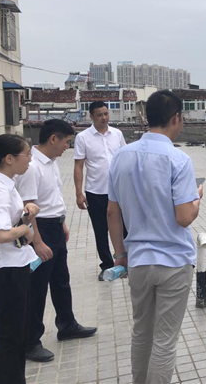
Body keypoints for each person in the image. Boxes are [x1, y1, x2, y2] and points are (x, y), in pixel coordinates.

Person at [107, 90, 202, 384]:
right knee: (164, 341)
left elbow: (112, 212)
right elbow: (184, 216)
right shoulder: (179, 159)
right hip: (173, 262)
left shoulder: (121, 156)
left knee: (141, 333)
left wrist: (120, 255)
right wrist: (197, 198)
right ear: (176, 118)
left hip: (138, 260)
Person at [15, 119, 97, 363]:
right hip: (40, 231)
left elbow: (51, 199)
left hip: (54, 227)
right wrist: (38, 242)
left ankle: (67, 325)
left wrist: (62, 224)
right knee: (37, 287)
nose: (66, 147)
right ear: (53, 138)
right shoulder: (32, 167)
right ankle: (30, 341)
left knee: (61, 280)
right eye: (66, 142)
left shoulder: (50, 162)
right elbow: (27, 208)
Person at [0, 134, 40, 384]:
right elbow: (1, 234)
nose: (30, 159)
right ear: (9, 158)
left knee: (16, 333)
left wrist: (25, 215)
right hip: (5, 270)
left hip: (15, 265)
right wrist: (26, 229)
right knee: (10, 336)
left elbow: (8, 223)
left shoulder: (7, 184)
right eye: (27, 154)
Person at [73, 100, 127, 281]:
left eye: (106, 114)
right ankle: (107, 265)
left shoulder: (117, 134)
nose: (104, 118)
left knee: (125, 226)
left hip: (119, 190)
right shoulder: (83, 137)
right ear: (91, 117)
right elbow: (79, 166)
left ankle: (127, 262)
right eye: (99, 115)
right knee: (100, 230)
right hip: (96, 191)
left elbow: (125, 159)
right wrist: (79, 193)